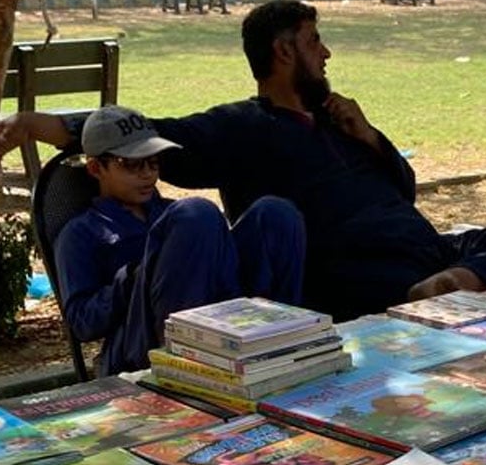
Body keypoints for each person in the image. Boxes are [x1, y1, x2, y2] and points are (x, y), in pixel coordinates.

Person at [0, 0, 486, 323]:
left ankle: (456, 282)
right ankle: (438, 296)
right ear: (282, 52)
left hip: (429, 250)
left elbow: (404, 191)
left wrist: (370, 134)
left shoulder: (338, 118)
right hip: (356, 271)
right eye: (313, 40)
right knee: (371, 278)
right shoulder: (239, 128)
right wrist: (36, 125)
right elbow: (147, 135)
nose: (325, 52)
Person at [51, 105, 306, 376]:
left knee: (275, 214)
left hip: (216, 319)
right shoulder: (82, 232)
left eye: (154, 161)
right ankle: (189, 361)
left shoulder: (173, 214)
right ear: (96, 167)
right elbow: (82, 322)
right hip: (141, 347)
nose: (148, 174)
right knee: (198, 212)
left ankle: (279, 340)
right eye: (133, 164)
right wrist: (137, 275)